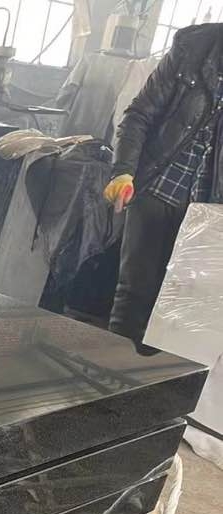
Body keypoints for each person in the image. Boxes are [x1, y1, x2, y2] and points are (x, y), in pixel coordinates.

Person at [104, 23, 223, 353]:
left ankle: (159, 381)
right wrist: (123, 172)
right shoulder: (192, 46)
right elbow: (139, 115)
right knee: (134, 294)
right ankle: (112, 373)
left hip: (208, 209)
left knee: (181, 305)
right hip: (158, 188)